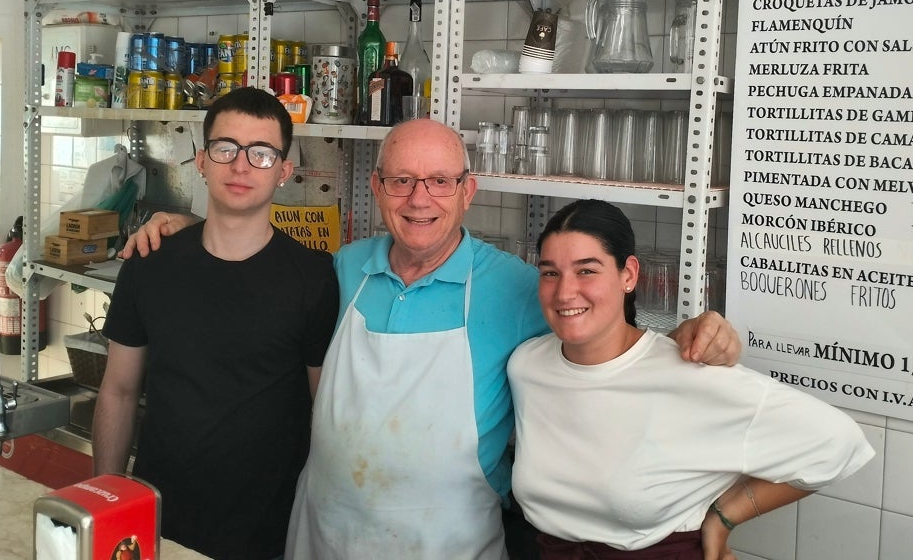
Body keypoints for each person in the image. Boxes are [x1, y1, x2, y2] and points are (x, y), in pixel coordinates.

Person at [123, 118, 742, 559]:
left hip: (450, 543)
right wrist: (186, 226)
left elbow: (603, 331)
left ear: (468, 191)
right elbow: (252, 255)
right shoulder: (338, 270)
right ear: (377, 189)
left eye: (441, 182)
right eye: (401, 182)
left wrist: (693, 331)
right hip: (324, 535)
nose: (421, 200)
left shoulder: (520, 289)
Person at [508, 199, 875, 559]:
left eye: (587, 270)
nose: (564, 291)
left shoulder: (690, 376)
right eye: (550, 272)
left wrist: (725, 515)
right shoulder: (527, 366)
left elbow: (839, 444)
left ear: (629, 275)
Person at [93, 87, 339, 560]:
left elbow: (324, 413)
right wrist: (108, 499)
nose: (242, 166)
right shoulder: (149, 263)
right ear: (201, 161)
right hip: (158, 518)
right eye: (226, 149)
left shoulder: (314, 277)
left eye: (262, 153)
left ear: (285, 172)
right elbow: (118, 391)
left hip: (269, 531)